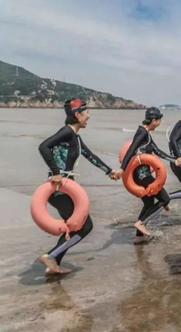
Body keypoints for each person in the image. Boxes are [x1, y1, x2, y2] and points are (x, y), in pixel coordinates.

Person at [37, 98, 120, 275]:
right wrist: (55, 172)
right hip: (59, 190)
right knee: (85, 226)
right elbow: (43, 147)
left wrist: (109, 171)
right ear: (77, 115)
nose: (89, 116)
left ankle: (54, 264)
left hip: (66, 190)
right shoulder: (66, 132)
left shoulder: (75, 137)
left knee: (73, 227)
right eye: (86, 112)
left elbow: (90, 156)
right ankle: (50, 256)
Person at [114, 107, 181, 243]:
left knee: (148, 203)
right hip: (142, 176)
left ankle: (139, 237)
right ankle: (141, 223)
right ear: (153, 120)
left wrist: (175, 160)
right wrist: (122, 169)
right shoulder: (141, 133)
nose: (159, 123)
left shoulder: (146, 134)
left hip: (142, 176)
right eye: (159, 120)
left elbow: (157, 151)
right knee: (165, 199)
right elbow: (131, 150)